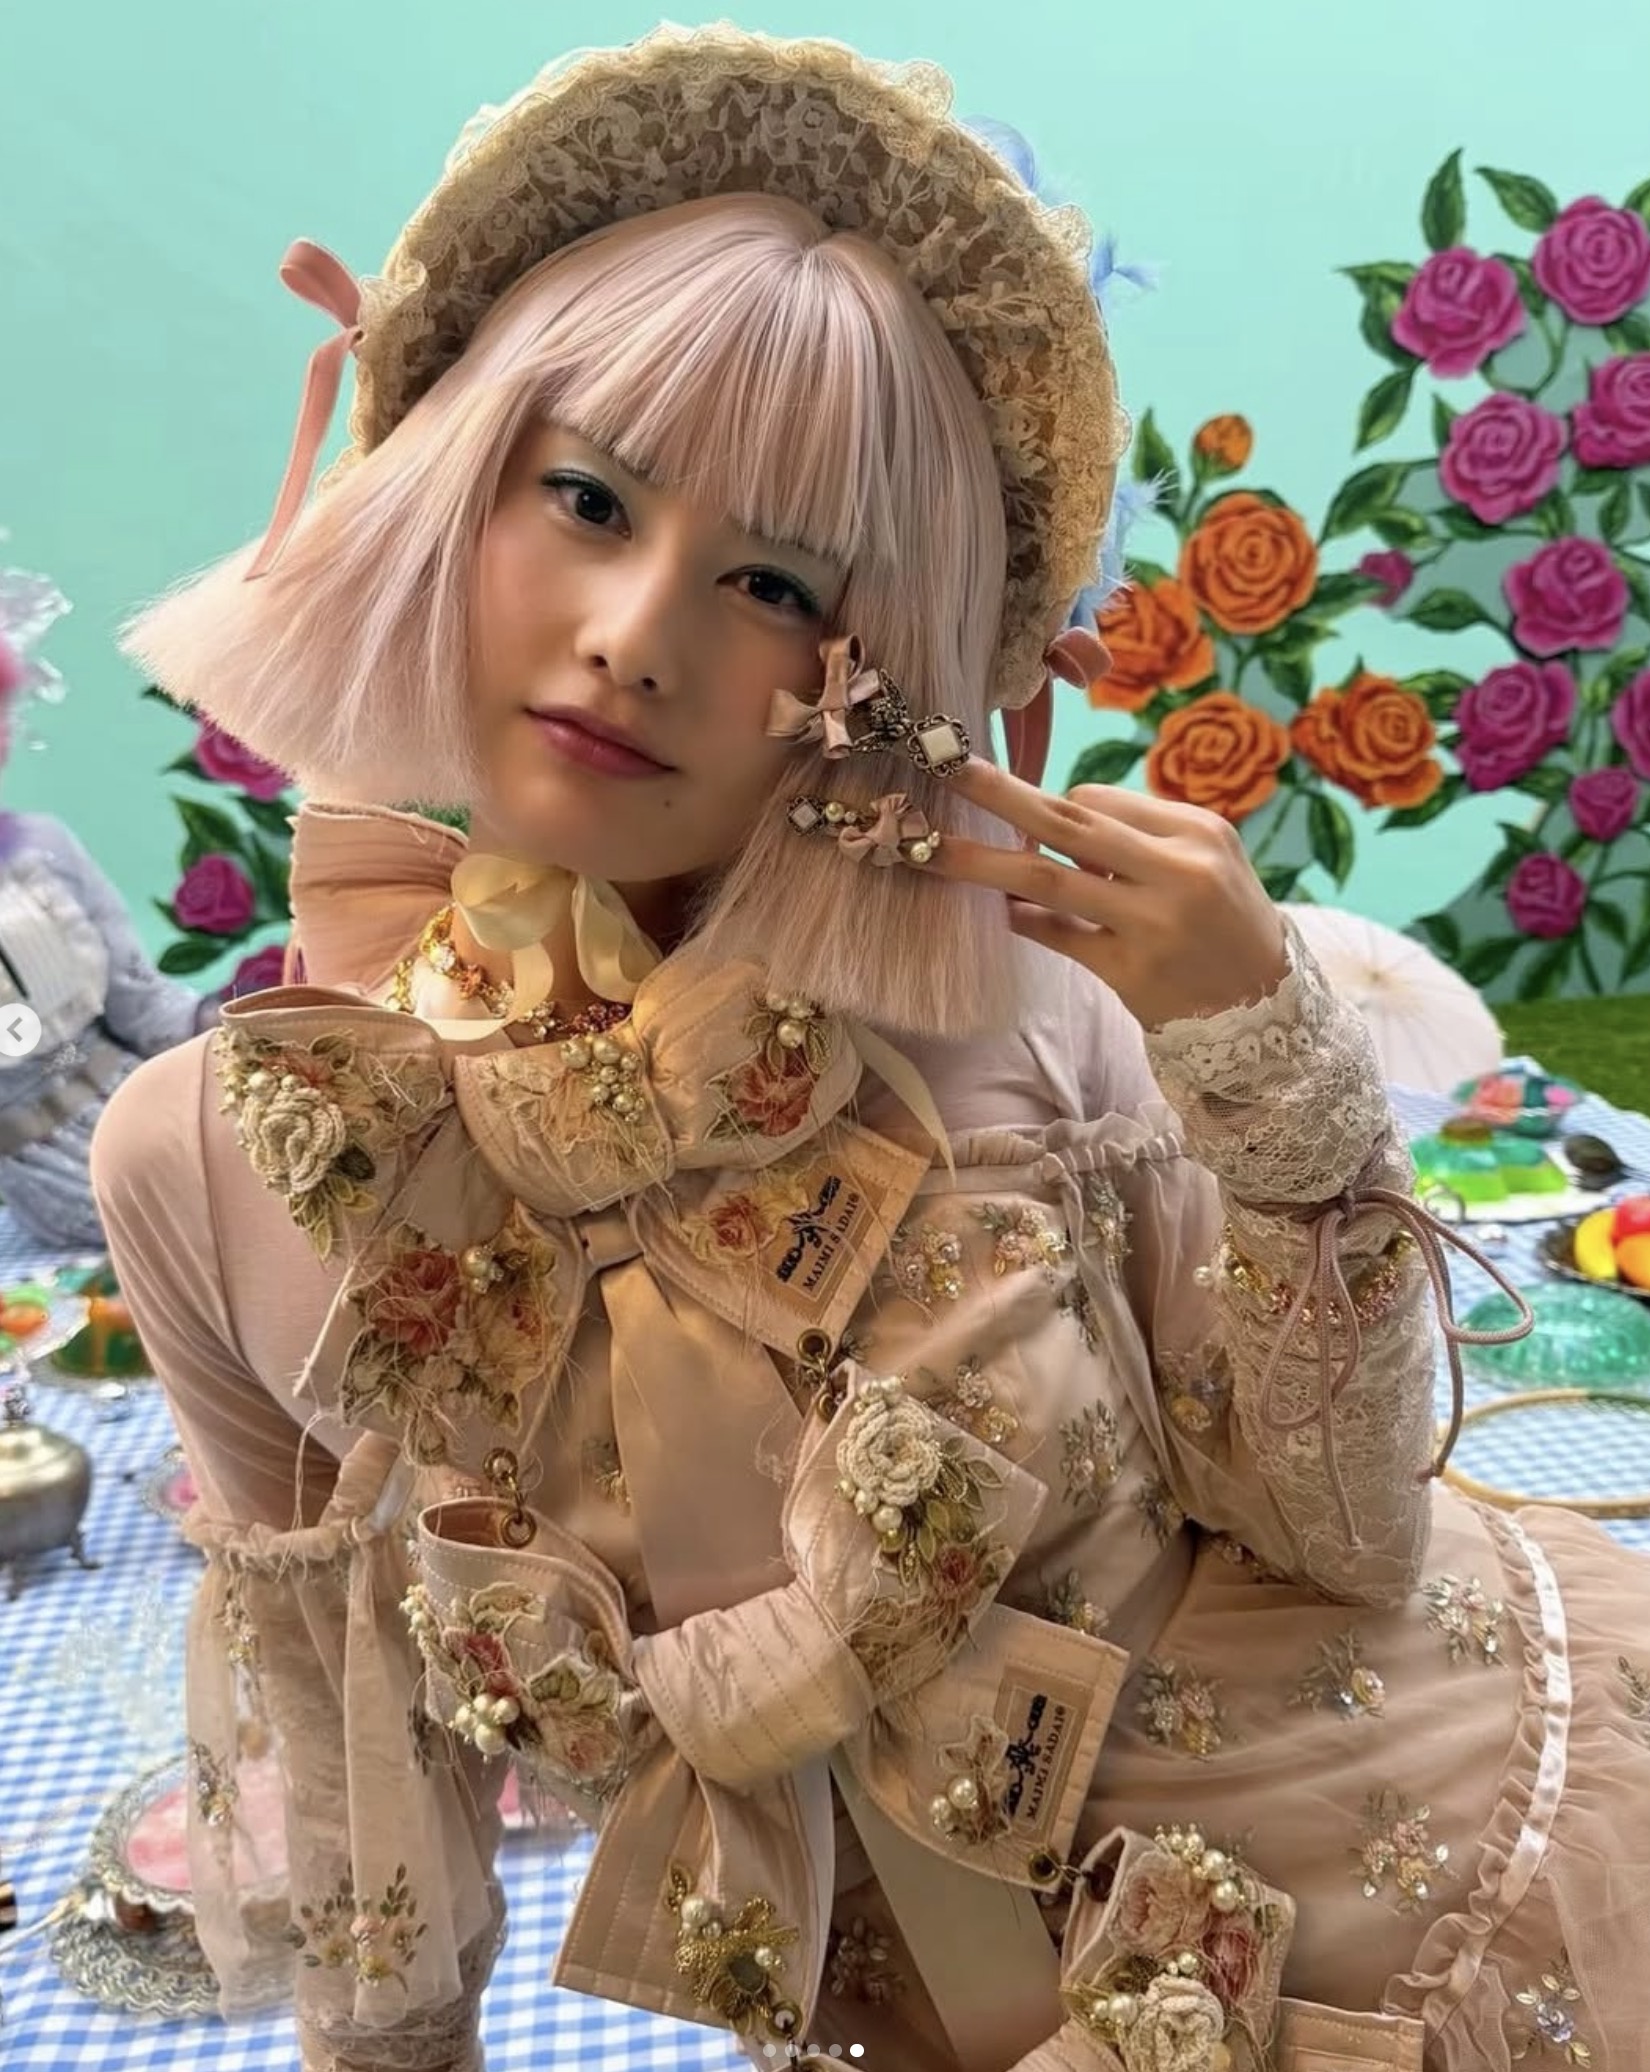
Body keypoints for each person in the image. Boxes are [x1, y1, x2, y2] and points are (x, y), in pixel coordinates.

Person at [89, 25, 1649, 2072]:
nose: (635, 634)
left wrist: (1265, 1070)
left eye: (771, 578)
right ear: (450, 483)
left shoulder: (1028, 1017)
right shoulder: (235, 1146)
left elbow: (1348, 1534)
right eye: (584, 495)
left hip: (1405, 1923)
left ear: (879, 662)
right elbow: (357, 1772)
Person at [0, 595, 218, 1250]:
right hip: (46, 1180)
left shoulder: (43, 847)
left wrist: (238, 1023)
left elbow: (142, 1005)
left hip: (146, 1103)